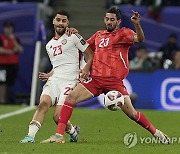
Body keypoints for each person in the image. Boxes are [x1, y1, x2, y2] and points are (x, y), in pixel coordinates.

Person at [41, 7, 171, 144]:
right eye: (107, 19)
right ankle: (59, 136)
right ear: (104, 19)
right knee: (71, 97)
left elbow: (140, 39)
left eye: (112, 20)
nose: (109, 22)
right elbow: (83, 47)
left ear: (118, 21)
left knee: (132, 114)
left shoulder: (124, 33)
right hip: (95, 80)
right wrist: (75, 34)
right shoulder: (98, 35)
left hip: (114, 82)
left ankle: (157, 133)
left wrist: (137, 24)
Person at [20, 10, 94, 143]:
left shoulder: (74, 36)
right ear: (53, 21)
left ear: (68, 23)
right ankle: (30, 136)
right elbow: (58, 65)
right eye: (58, 20)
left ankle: (72, 132)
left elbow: (91, 54)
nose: (60, 23)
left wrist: (86, 69)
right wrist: (49, 74)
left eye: (64, 21)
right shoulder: (49, 45)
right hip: (54, 80)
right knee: (43, 104)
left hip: (70, 81)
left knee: (58, 116)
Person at [0, 21, 24, 104]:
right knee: (2, 82)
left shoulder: (16, 39)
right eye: (6, 28)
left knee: (9, 83)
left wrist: (13, 40)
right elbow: (1, 50)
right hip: (2, 64)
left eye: (9, 28)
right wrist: (11, 51)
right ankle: (2, 101)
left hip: (13, 64)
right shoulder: (1, 38)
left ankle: (7, 100)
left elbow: (20, 49)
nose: (8, 30)